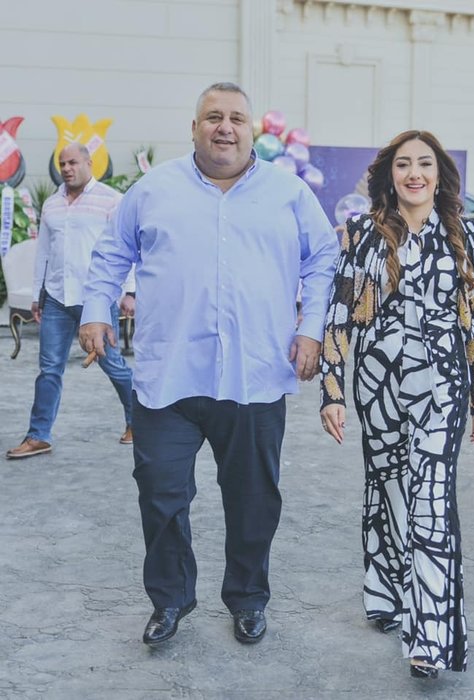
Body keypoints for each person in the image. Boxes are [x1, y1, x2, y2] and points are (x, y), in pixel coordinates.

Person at [78, 82, 338, 646]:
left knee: (254, 500)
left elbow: (323, 259)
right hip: (168, 378)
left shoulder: (288, 193)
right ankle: (170, 600)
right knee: (161, 495)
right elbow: (111, 253)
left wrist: (311, 328)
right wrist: (96, 311)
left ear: (252, 130)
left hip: (255, 376)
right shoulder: (153, 189)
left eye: (236, 118)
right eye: (213, 116)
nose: (225, 127)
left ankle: (248, 599)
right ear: (194, 128)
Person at [319, 130, 474, 679]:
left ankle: (430, 637)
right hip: (377, 384)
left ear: (439, 174)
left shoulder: (470, 234)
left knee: (431, 501)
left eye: (424, 164)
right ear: (389, 175)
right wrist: (332, 390)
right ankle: (386, 595)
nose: (414, 173)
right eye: (403, 164)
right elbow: (339, 313)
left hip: (442, 387)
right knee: (388, 489)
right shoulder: (362, 233)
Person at [6, 143, 134, 460]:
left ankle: (139, 422)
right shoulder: (52, 204)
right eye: (62, 163)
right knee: (49, 369)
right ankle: (38, 436)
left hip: (96, 300)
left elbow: (126, 248)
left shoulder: (112, 200)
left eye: (73, 162)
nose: (66, 168)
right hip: (57, 299)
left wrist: (129, 292)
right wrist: (37, 295)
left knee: (113, 365)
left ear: (89, 163)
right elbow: (43, 253)